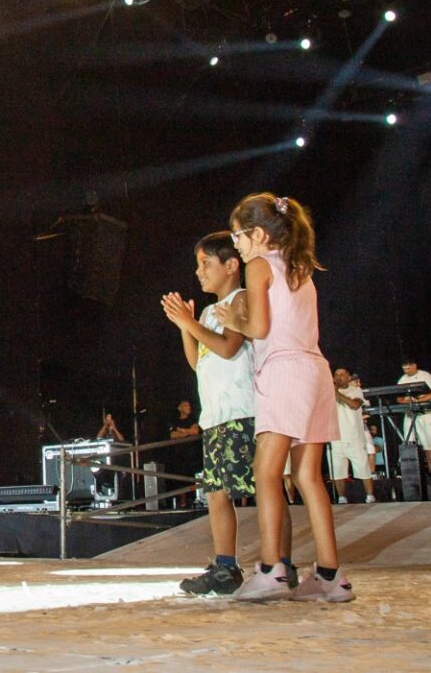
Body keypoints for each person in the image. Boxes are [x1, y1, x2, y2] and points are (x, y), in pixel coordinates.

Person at [215, 193, 353, 603]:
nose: (237, 244)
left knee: (266, 472)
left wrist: (234, 318)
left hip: (284, 370)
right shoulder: (300, 268)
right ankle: (330, 575)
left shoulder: (259, 265)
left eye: (238, 235)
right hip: (315, 370)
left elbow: (258, 328)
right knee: (309, 475)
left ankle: (271, 568)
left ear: (257, 234)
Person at [161, 231, 268, 597]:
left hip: (242, 411)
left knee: (262, 489)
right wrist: (186, 326)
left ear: (231, 265)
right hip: (215, 417)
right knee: (216, 493)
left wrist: (190, 324)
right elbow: (198, 362)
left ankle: (280, 563)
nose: (199, 271)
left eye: (206, 263)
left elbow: (228, 348)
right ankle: (225, 566)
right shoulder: (208, 312)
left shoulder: (242, 299)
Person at [329, 368, 376, 504]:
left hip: (354, 437)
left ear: (349, 377)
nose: (338, 377)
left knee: (363, 468)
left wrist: (337, 394)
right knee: (338, 470)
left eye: (342, 374)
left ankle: (370, 496)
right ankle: (342, 497)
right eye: (336, 375)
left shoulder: (355, 390)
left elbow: (355, 405)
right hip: (335, 437)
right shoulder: (327, 391)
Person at [397, 360, 431, 471]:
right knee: (409, 439)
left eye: (408, 368)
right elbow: (399, 398)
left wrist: (418, 400)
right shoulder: (403, 379)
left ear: (414, 366)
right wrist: (408, 401)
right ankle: (412, 470)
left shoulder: (425, 376)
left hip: (426, 413)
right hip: (410, 413)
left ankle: (430, 469)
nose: (406, 371)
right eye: (404, 369)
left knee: (428, 441)